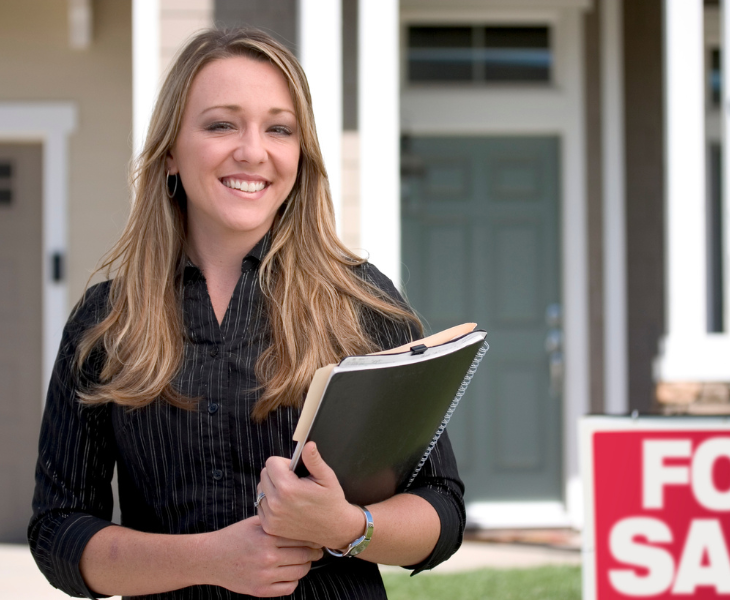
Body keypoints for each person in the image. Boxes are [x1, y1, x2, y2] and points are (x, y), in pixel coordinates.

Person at [28, 28, 465, 600]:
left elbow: (442, 509)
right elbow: (57, 532)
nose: (253, 151)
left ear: (299, 156)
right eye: (221, 124)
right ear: (169, 156)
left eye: (279, 129)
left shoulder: (358, 302)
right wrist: (209, 559)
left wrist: (346, 527)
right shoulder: (108, 321)